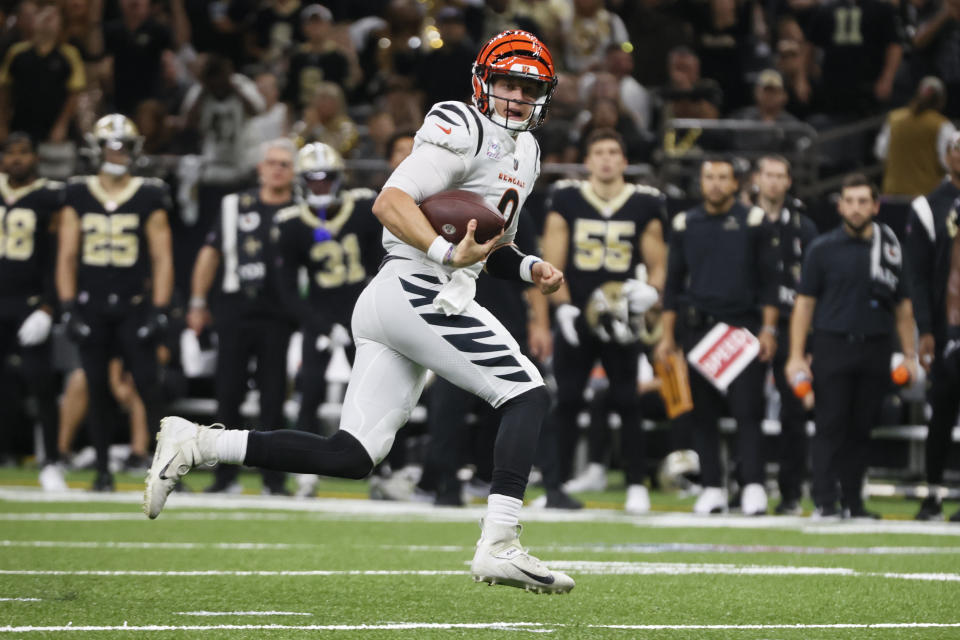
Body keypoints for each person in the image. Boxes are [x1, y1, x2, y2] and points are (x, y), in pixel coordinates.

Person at [146, 29, 574, 594]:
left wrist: (526, 268)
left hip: (408, 294)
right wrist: (445, 252)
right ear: (482, 82)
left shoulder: (529, 151)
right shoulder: (462, 125)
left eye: (529, 87)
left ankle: (197, 443)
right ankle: (498, 543)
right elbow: (390, 202)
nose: (516, 97)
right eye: (506, 83)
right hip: (416, 285)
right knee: (525, 391)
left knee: (351, 455)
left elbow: (483, 247)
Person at [535, 128, 667, 514]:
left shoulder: (644, 203)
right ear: (588, 160)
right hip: (578, 313)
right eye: (599, 152)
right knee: (568, 399)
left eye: (614, 152)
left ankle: (636, 484)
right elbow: (552, 260)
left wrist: (650, 295)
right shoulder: (568, 197)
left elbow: (659, 266)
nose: (607, 159)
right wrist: (562, 308)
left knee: (627, 399)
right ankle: (555, 486)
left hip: (622, 315)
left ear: (624, 161)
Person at [786, 174, 917, 519]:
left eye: (863, 201)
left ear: (875, 205)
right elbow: (804, 305)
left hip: (875, 347)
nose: (856, 208)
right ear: (840, 205)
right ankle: (825, 501)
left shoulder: (890, 249)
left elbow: (904, 307)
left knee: (861, 429)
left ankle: (854, 503)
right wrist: (797, 355)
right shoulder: (822, 249)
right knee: (830, 425)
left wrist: (909, 355)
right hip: (832, 345)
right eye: (850, 201)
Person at [655, 157, 779, 516]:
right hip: (698, 330)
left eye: (723, 177)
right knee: (702, 414)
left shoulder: (754, 222)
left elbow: (771, 283)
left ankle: (753, 485)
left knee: (748, 412)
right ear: (701, 181)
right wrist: (667, 338)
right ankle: (712, 486)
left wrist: (769, 330)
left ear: (736, 183)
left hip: (742, 331)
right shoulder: (684, 223)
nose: (715, 184)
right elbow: (673, 285)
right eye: (709, 176)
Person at [56, 114, 174, 491]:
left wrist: (158, 309)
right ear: (97, 148)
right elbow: (67, 255)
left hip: (134, 304)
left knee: (148, 387)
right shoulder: (77, 191)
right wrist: (69, 306)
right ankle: (103, 470)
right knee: (94, 385)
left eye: (125, 146)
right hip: (91, 305)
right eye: (112, 145)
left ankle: (168, 471)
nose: (118, 153)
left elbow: (163, 257)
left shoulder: (149, 192)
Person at [184, 138, 297, 495]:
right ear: (260, 168)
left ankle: (273, 477)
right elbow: (209, 254)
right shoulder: (234, 205)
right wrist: (198, 302)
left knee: (274, 397)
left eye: (285, 164)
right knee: (227, 394)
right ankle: (224, 476)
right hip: (234, 309)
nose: (278, 169)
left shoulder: (302, 207)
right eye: (272, 162)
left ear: (294, 172)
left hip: (280, 313)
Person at [275, 142, 382, 436]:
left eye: (325, 179)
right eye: (312, 180)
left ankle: (390, 469)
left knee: (377, 393)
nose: (320, 187)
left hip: (362, 314)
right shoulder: (292, 223)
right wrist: (321, 327)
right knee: (309, 390)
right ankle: (305, 472)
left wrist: (373, 311)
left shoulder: (362, 208)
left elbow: (381, 265)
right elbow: (288, 291)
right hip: (319, 315)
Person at [753, 155, 818, 515]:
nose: (774, 182)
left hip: (794, 330)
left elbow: (816, 286)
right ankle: (748, 485)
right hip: (750, 327)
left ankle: (791, 491)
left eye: (780, 175)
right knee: (746, 410)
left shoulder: (805, 228)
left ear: (789, 181)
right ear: (757, 179)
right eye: (768, 175)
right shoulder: (741, 221)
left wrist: (808, 345)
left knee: (794, 411)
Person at [0, 133, 64, 490]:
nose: (17, 160)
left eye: (24, 153)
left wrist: (49, 306)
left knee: (41, 385)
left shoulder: (49, 197)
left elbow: (57, 256)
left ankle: (51, 460)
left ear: (36, 159)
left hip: (28, 306)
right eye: (10, 153)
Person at [907, 133, 960, 520]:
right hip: (945, 329)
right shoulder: (927, 206)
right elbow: (918, 277)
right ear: (946, 155)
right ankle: (933, 493)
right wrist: (925, 328)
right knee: (941, 411)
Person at [875, 76, 957, 197]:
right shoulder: (941, 125)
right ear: (941, 100)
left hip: (893, 194)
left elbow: (881, 152)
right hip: (926, 198)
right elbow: (948, 162)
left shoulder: (894, 119)